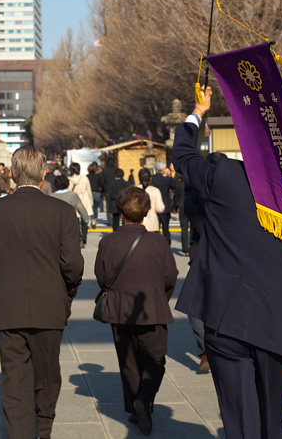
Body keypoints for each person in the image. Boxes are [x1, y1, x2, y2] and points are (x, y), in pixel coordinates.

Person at [171, 86, 282, 438]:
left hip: (226, 317)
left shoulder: (225, 177)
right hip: (275, 320)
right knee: (272, 420)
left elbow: (182, 155)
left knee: (239, 420)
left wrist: (198, 111)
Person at [0, 146, 84, 439]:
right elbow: (72, 264)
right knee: (48, 375)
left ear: (11, 174)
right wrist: (66, 294)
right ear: (44, 173)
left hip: (8, 306)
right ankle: (43, 429)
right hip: (50, 306)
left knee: (14, 381)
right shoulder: (62, 211)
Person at [94, 186, 178, 435]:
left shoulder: (107, 242)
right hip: (151, 307)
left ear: (121, 212)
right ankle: (146, 397)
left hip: (120, 310)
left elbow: (102, 277)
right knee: (155, 359)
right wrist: (160, 297)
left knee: (128, 361)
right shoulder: (158, 241)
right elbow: (170, 276)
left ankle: (135, 406)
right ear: (146, 212)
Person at [52, 174, 90, 247]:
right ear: (67, 183)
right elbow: (81, 208)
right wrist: (86, 220)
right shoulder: (72, 195)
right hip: (71, 224)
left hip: (56, 225)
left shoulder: (52, 196)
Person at [68, 163, 93, 244]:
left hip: (74, 200)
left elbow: (69, 191)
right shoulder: (84, 178)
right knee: (84, 220)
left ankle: (78, 237)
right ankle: (84, 237)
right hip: (84, 200)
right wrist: (90, 201)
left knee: (75, 221)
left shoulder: (69, 179)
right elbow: (89, 190)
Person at [150, 167, 175, 245]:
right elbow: (174, 185)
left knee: (155, 227)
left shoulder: (152, 179)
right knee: (165, 228)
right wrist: (170, 176)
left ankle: (155, 244)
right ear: (162, 169)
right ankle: (167, 244)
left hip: (154, 206)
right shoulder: (166, 179)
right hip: (165, 206)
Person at [136, 168, 165, 232]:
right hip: (152, 225)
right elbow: (160, 209)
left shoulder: (135, 190)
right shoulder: (155, 191)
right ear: (150, 178)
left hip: (138, 225)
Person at [173, 168, 190, 256]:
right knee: (193, 227)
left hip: (182, 206)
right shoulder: (191, 183)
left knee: (184, 228)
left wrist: (174, 207)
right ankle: (192, 245)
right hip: (191, 206)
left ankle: (185, 249)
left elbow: (176, 197)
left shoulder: (178, 184)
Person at [87, 162, 103, 229]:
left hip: (89, 193)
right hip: (97, 193)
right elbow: (101, 184)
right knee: (96, 208)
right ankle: (95, 219)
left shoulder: (87, 177)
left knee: (90, 208)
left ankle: (92, 220)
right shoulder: (98, 177)